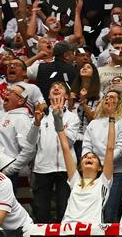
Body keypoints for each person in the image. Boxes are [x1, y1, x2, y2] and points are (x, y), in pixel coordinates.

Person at [24, 82, 81, 223]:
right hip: (43, 168)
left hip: (66, 168)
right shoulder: (41, 115)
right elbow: (31, 141)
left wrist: (58, 117)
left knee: (65, 209)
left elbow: (69, 142)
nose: (56, 88)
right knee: (41, 210)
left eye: (60, 87)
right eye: (53, 87)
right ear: (48, 96)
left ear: (66, 96)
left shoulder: (73, 117)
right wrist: (36, 123)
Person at [59, 94, 115, 224]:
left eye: (93, 157)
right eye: (86, 157)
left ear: (100, 167)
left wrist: (111, 117)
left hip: (92, 233)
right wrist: (58, 119)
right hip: (68, 231)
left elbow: (110, 149)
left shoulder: (103, 182)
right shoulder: (75, 180)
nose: (89, 157)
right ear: (80, 166)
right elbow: (65, 148)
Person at [81, 89, 122, 222]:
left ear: (119, 102)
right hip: (95, 172)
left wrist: (103, 163)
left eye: (112, 97)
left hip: (117, 172)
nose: (108, 99)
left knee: (110, 211)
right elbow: (86, 146)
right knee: (95, 210)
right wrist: (90, 162)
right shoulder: (94, 123)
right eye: (106, 97)